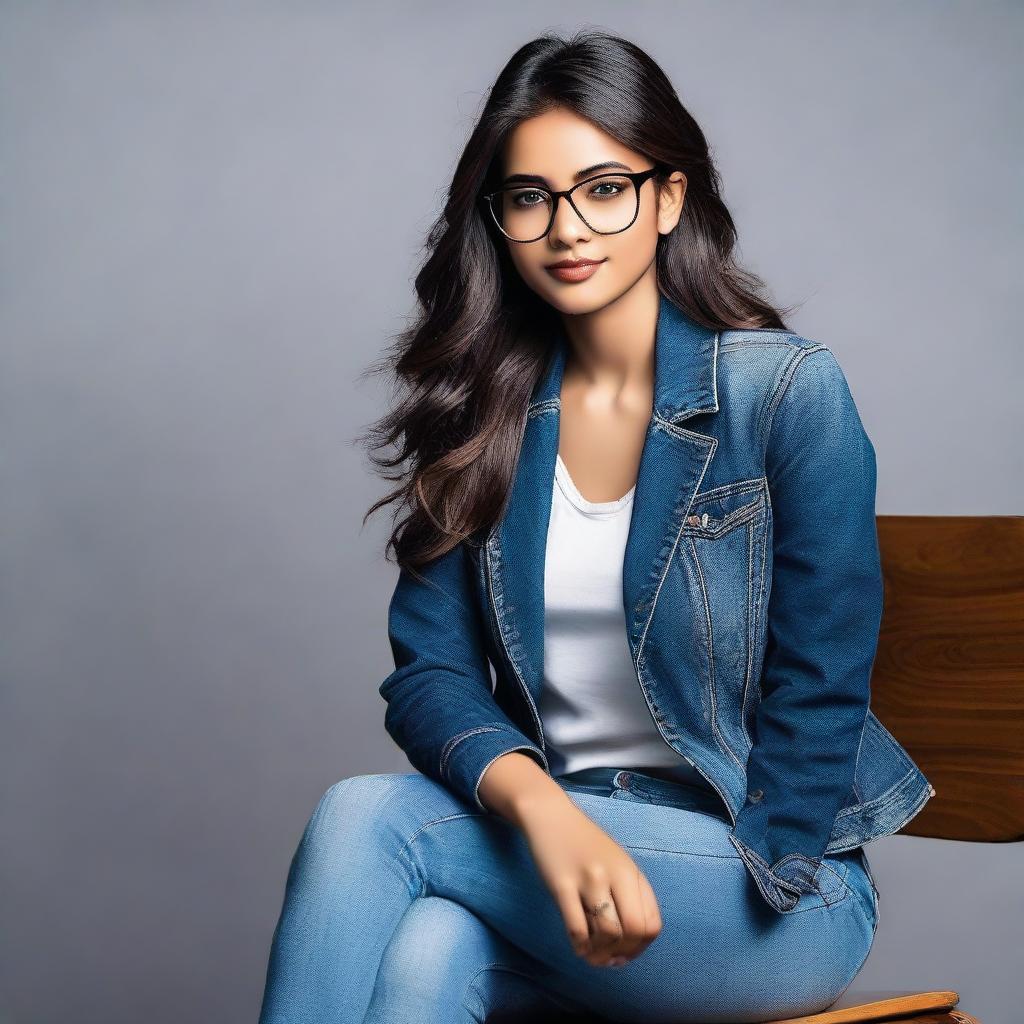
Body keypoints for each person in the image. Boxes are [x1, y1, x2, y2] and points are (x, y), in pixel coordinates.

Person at [257, 28, 934, 1024]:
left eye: (603, 187)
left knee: (369, 817)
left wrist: (755, 861)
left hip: (770, 885)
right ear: (497, 221)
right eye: (529, 197)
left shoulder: (784, 392)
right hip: (562, 870)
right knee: (426, 952)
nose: (565, 227)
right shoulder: (484, 417)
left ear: (667, 198)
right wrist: (544, 812)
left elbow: (821, 684)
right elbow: (431, 676)